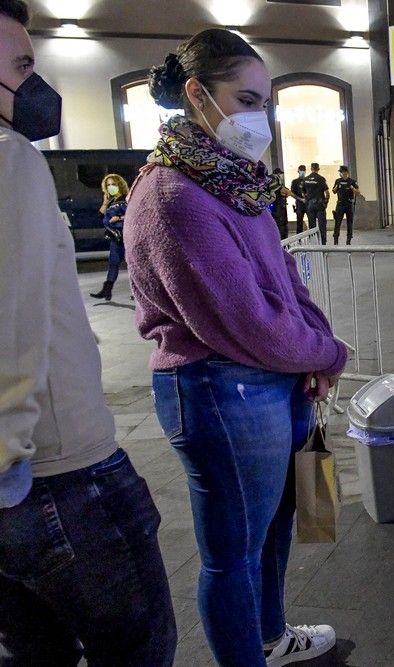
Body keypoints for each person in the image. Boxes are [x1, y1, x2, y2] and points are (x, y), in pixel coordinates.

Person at [129, 29, 349, 666]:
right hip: (218, 386)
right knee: (233, 553)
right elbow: (243, 320)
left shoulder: (233, 182)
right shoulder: (174, 195)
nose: (260, 119)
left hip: (266, 379)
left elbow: (281, 275)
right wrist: (322, 353)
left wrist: (314, 347)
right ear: (197, 96)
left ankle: (270, 638)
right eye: (246, 100)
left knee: (273, 530)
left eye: (264, 103)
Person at [0, 1, 177, 664]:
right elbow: (11, 318)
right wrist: (7, 460)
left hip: (28, 475)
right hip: (60, 471)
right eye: (21, 67)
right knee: (139, 646)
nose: (35, 85)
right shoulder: (8, 155)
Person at [90, 173, 128, 300]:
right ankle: (107, 290)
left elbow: (134, 214)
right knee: (113, 263)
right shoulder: (111, 201)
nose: (111, 187)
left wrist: (120, 217)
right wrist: (105, 203)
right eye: (108, 185)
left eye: (113, 184)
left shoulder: (127, 198)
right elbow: (101, 216)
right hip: (115, 238)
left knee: (134, 266)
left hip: (127, 237)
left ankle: (141, 292)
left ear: (120, 185)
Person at [302, 162, 330, 243]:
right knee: (322, 226)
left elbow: (303, 193)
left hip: (310, 205)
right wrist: (326, 203)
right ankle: (323, 246)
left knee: (312, 227)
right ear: (318, 169)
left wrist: (308, 201)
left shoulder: (306, 179)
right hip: (320, 204)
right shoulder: (321, 179)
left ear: (311, 169)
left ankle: (313, 245)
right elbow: (327, 193)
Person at [331, 164, 359, 245]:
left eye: (344, 172)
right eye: (341, 172)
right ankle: (336, 240)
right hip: (340, 204)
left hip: (349, 204)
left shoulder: (352, 181)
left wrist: (352, 188)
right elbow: (333, 191)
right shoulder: (338, 181)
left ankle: (349, 240)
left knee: (349, 223)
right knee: (337, 223)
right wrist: (337, 187)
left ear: (347, 172)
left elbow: (358, 192)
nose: (343, 174)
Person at [271, 167, 289, 239]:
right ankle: (282, 241)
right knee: (280, 225)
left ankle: (284, 240)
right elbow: (286, 192)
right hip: (278, 207)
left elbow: (286, 191)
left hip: (280, 206)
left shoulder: (278, 184)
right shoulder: (275, 183)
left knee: (283, 224)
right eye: (280, 174)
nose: (281, 175)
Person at [290, 164, 308, 234]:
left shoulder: (308, 180)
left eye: (303, 170)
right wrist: (300, 199)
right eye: (301, 170)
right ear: (298, 171)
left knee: (311, 221)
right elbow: (292, 193)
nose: (302, 172)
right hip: (299, 204)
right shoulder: (295, 182)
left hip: (308, 204)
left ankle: (311, 239)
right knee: (299, 222)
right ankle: (299, 240)